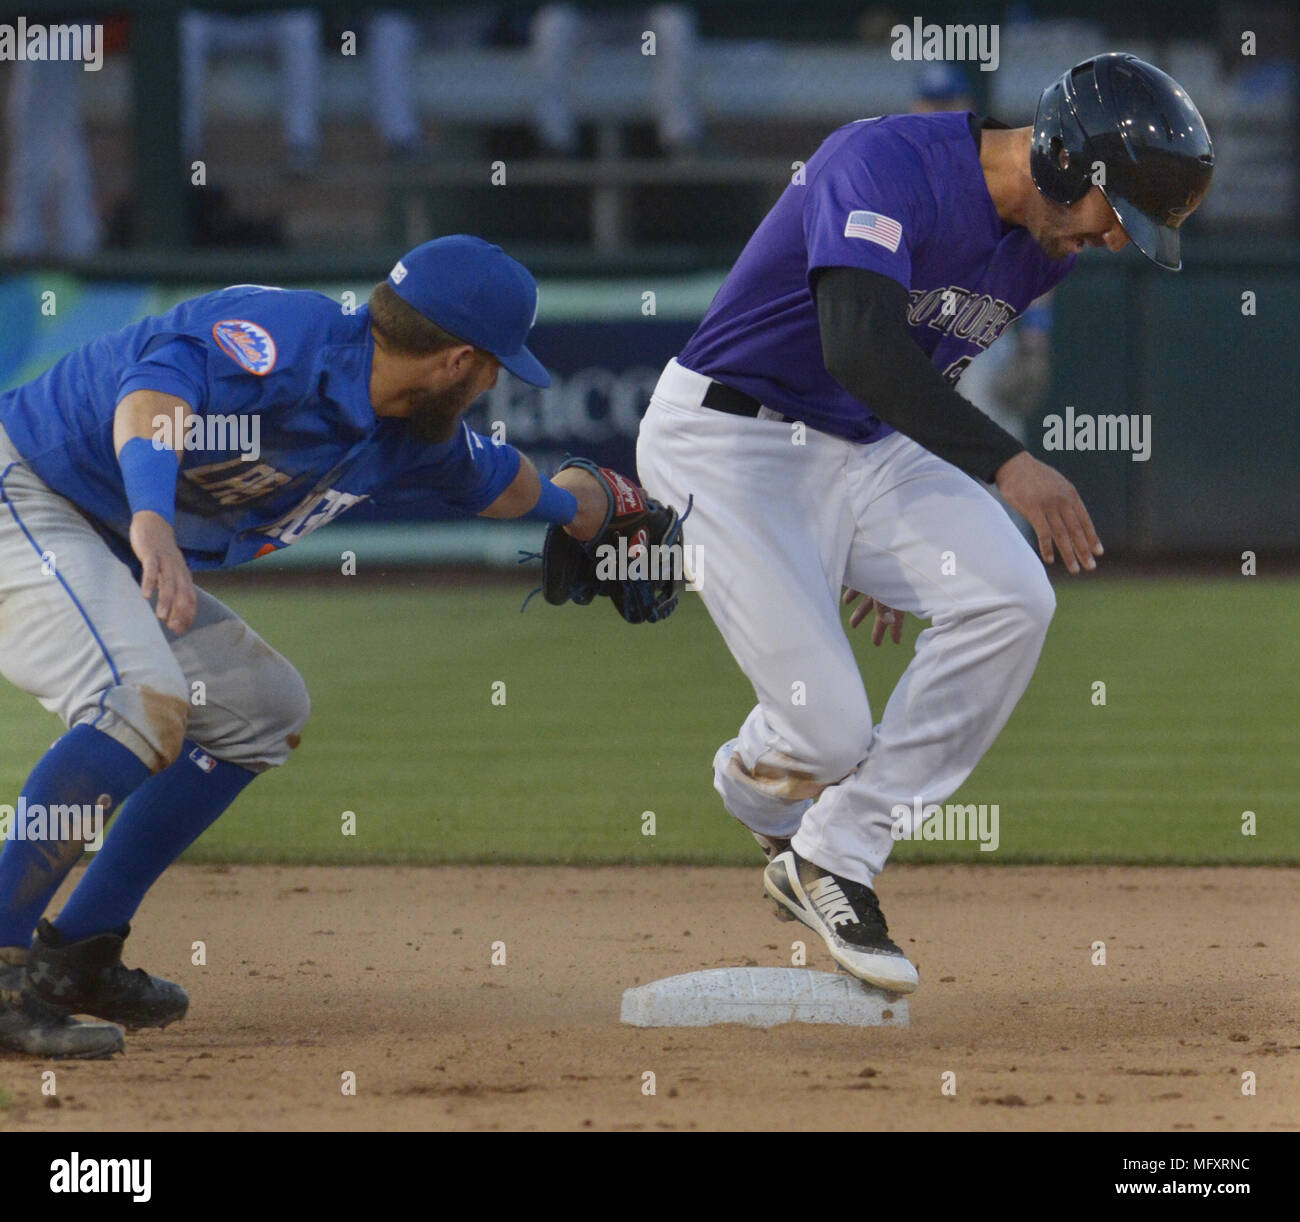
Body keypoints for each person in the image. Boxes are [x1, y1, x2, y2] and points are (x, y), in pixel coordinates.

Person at [635, 54, 1214, 993]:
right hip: (729, 441)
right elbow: (858, 342)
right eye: (1122, 216)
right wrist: (1007, 465)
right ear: (1066, 163)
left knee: (1010, 597)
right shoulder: (882, 164)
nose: (1116, 242)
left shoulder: (1043, 248)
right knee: (824, 737)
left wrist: (886, 545)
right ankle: (754, 782)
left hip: (864, 446)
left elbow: (907, 378)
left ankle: (834, 858)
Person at [0, 236, 633, 1058]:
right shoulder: (284, 339)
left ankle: (75, 956)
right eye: (496, 369)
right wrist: (152, 514)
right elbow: (155, 393)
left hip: (104, 538)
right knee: (137, 699)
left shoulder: (414, 428)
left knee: (263, 709)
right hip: (27, 489)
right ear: (460, 361)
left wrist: (593, 510)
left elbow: (508, 482)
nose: (494, 386)